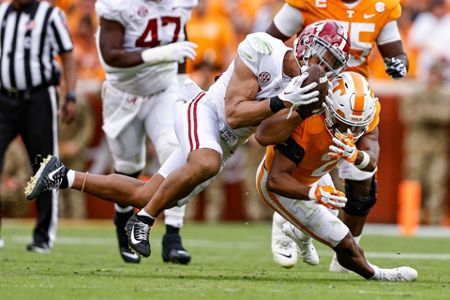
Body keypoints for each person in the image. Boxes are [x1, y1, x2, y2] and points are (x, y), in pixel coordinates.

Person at [24, 20, 350, 258]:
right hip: (204, 113)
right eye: (324, 55)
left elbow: (264, 137)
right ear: (307, 42)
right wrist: (282, 100)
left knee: (147, 192)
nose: (325, 66)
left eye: (333, 63)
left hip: (226, 142)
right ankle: (143, 221)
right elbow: (235, 113)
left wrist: (297, 111)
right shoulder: (263, 48)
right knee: (204, 163)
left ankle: (61, 175)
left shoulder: (307, 94)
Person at [265, 0, 410, 270]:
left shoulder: (382, 6)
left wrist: (398, 64)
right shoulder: (308, 3)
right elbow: (268, 43)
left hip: (354, 100)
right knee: (295, 163)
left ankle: (347, 252)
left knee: (362, 182)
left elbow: (396, 52)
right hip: (314, 94)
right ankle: (283, 219)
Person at [255, 71, 417, 281]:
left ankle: (299, 232)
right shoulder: (308, 123)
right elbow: (276, 179)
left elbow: (371, 162)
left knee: (332, 212)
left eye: (356, 127)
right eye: (344, 123)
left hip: (314, 174)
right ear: (329, 109)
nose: (350, 131)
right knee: (345, 242)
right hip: (284, 184)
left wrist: (356, 156)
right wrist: (314, 193)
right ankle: (379, 275)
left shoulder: (364, 114)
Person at [94, 0, 199, 264]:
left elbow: (180, 43)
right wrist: (157, 54)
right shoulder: (118, 5)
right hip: (123, 94)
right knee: (129, 166)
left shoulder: (179, 3)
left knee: (177, 151)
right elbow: (110, 56)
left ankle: (172, 236)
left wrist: (181, 82)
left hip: (164, 90)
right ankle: (122, 220)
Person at [0, 0, 77, 253]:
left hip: (39, 98)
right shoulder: (2, 13)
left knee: (45, 164)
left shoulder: (50, 15)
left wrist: (71, 95)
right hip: (4, 97)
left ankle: (43, 235)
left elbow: (67, 55)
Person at [399, 62, 450, 224]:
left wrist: (423, 112)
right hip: (416, 146)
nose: (434, 79)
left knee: (436, 182)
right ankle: (412, 218)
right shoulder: (417, 93)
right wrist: (431, 112)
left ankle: (434, 220)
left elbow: (445, 115)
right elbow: (406, 114)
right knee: (414, 181)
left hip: (438, 147)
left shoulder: (444, 95)